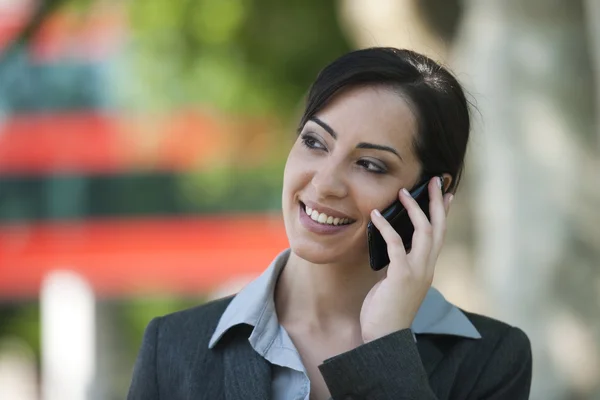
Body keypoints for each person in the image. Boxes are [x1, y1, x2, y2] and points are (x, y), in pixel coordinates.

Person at [127, 47, 532, 400]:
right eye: (314, 142)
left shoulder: (493, 360)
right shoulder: (174, 348)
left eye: (370, 165)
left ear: (429, 193)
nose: (324, 183)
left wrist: (388, 350)